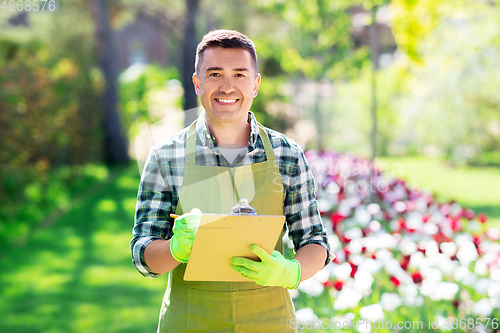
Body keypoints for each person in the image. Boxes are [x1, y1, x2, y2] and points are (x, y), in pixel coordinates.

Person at [131, 29, 333, 333]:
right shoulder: (165, 156)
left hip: (271, 322)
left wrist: (291, 272)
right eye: (215, 74)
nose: (227, 86)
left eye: (239, 74)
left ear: (255, 84)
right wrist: (175, 248)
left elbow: (314, 242)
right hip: (190, 322)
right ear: (198, 83)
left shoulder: (286, 154)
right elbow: (143, 254)